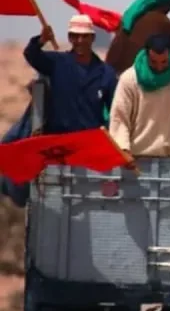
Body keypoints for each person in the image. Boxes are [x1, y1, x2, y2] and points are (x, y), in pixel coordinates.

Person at [1, 16, 118, 207]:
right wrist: (41, 40)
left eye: (84, 36)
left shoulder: (105, 73)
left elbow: (115, 110)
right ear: (70, 38)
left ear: (92, 38)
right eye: (75, 36)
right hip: (58, 146)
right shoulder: (57, 63)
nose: (79, 41)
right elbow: (32, 55)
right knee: (56, 202)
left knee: (87, 201)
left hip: (87, 148)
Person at [109, 34, 170, 166]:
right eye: (154, 62)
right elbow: (120, 117)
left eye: (164, 62)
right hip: (139, 157)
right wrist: (123, 149)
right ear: (147, 55)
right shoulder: (130, 78)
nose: (159, 67)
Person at [106, 0, 170, 74]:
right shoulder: (164, 22)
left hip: (113, 74)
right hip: (138, 77)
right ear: (167, 4)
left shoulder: (131, 16)